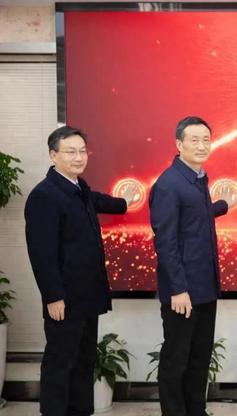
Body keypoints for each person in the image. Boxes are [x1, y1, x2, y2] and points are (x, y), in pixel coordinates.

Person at [25, 125, 136, 416]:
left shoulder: (77, 187)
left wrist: (126, 202)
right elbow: (41, 254)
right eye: (70, 152)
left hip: (87, 296)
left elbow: (97, 200)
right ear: (53, 155)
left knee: (84, 362)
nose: (78, 157)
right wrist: (53, 297)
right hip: (65, 299)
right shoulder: (44, 195)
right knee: (60, 363)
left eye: (82, 151)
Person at [150, 115, 236, 416]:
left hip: (204, 288)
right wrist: (178, 289)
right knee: (177, 360)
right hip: (183, 292)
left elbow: (194, 218)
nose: (202, 146)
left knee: (199, 358)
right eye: (194, 140)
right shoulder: (169, 184)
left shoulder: (197, 178)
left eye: (206, 140)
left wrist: (221, 206)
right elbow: (166, 241)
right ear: (179, 144)